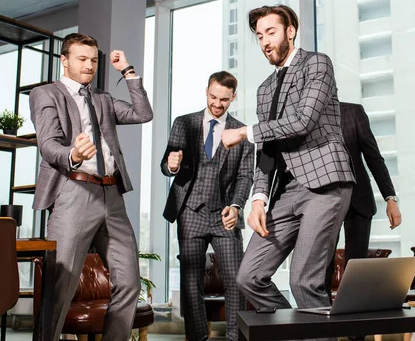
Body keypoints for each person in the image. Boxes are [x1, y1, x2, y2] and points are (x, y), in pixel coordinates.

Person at [221, 5, 355, 330]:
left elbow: (303, 121)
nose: (265, 41)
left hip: (325, 184)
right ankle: (297, 333)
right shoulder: (265, 89)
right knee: (249, 276)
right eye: (259, 36)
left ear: (290, 31)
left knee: (303, 283)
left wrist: (244, 131)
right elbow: (268, 150)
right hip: (288, 192)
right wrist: (258, 200)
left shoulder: (317, 64)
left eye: (271, 32)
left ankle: (313, 335)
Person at [29, 33, 153, 341]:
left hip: (112, 196)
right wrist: (73, 154)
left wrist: (128, 71)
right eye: (82, 59)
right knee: (61, 286)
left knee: (129, 283)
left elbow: (143, 113)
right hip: (73, 192)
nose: (89, 66)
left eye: (93, 60)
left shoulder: (103, 99)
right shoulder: (46, 94)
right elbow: (47, 145)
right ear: (64, 60)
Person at [161, 71, 253, 341]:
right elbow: (167, 163)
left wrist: (236, 207)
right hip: (189, 212)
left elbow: (245, 176)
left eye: (224, 99)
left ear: (233, 97)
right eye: (214, 97)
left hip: (225, 215)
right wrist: (171, 165)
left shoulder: (241, 131)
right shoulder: (183, 123)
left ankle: (237, 338)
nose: (217, 103)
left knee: (236, 280)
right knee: (190, 284)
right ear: (206, 91)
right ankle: (197, 337)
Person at [325, 102, 401, 293]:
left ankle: (352, 317)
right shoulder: (305, 117)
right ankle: (321, 317)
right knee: (322, 267)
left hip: (358, 200)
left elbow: (373, 157)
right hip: (323, 202)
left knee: (355, 268)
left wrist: (390, 198)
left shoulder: (352, 112)